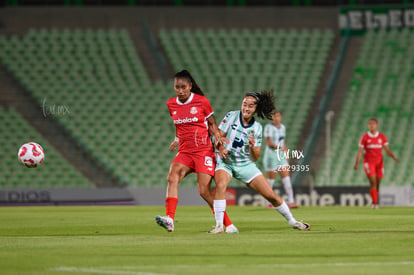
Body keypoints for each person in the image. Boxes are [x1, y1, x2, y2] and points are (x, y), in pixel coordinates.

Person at [209, 90, 310, 234]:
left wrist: (252, 146)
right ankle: (219, 226)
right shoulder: (231, 116)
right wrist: (220, 148)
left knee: (271, 196)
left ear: (256, 109)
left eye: (250, 106)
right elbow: (218, 136)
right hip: (226, 163)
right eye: (244, 104)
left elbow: (255, 157)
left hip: (245, 165)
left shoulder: (257, 128)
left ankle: (293, 221)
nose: (246, 108)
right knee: (220, 185)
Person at [155, 70, 238, 233]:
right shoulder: (171, 104)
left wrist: (219, 144)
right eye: (177, 87)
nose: (180, 90)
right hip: (185, 151)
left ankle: (227, 225)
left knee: (204, 191)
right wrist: (177, 139)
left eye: (183, 87)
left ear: (190, 86)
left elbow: (213, 124)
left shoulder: (201, 102)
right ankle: (170, 219)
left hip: (203, 151)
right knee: (172, 177)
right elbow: (178, 124)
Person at [354, 118, 398, 209]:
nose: (371, 125)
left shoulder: (382, 136)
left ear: (376, 125)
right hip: (369, 163)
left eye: (373, 124)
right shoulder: (365, 137)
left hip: (379, 163)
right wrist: (357, 163)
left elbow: (387, 150)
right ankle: (375, 203)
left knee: (377, 183)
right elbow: (360, 151)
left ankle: (374, 200)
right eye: (369, 124)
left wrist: (393, 156)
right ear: (368, 125)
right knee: (373, 182)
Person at [263, 110, 298, 209]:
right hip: (271, 156)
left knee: (287, 179)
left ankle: (291, 202)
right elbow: (269, 142)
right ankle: (268, 202)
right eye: (274, 116)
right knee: (271, 181)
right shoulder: (268, 127)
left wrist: (286, 152)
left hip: (281, 156)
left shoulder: (282, 127)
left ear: (281, 117)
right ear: (272, 118)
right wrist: (280, 148)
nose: (276, 118)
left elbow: (283, 142)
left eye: (278, 116)